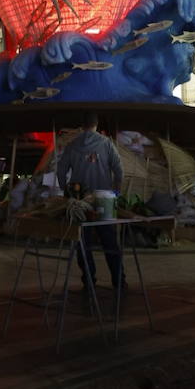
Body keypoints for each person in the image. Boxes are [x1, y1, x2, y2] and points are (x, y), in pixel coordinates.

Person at [56, 113, 124, 291]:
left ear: (82, 125)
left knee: (83, 243)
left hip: (79, 200)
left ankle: (89, 280)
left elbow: (60, 171)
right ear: (96, 124)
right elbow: (119, 170)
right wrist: (116, 192)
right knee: (109, 241)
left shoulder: (72, 146)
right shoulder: (106, 143)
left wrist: (66, 192)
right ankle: (118, 280)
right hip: (104, 199)